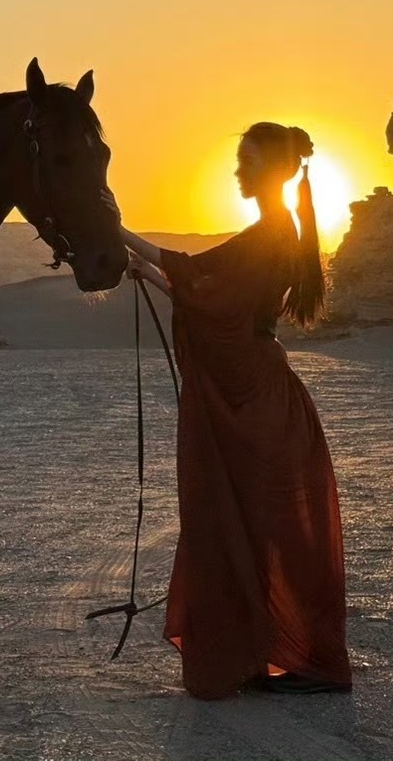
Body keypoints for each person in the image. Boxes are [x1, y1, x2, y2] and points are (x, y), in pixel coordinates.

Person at [112, 122, 352, 698]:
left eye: (248, 160)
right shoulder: (275, 230)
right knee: (249, 528)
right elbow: (207, 292)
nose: (239, 170)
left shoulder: (271, 233)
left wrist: (116, 231)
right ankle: (265, 653)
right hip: (258, 390)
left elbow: (200, 279)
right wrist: (148, 273)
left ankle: (308, 660)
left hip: (256, 398)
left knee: (266, 529)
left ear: (271, 169)